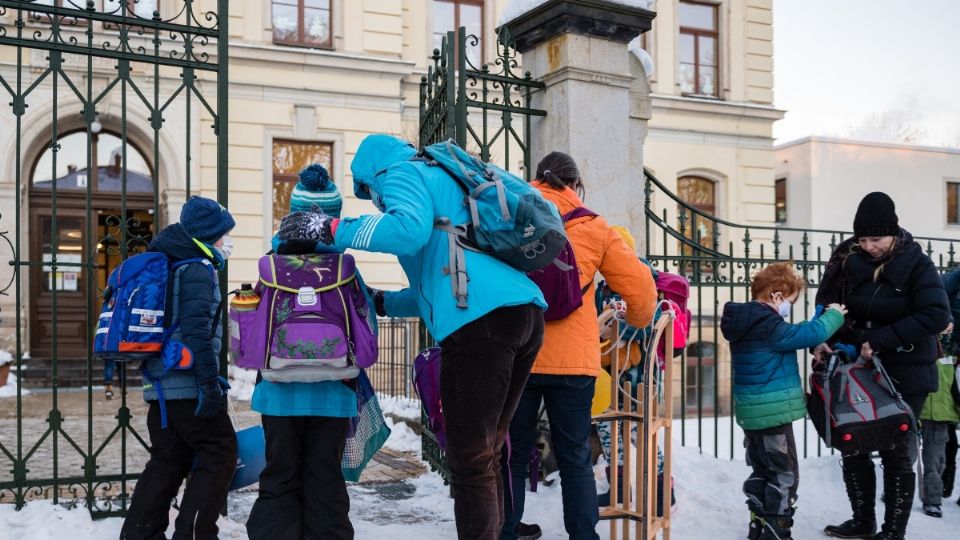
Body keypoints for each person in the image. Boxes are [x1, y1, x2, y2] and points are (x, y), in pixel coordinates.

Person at [307, 134, 547, 540]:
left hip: (481, 324)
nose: (376, 202)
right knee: (485, 452)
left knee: (469, 457)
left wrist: (333, 228)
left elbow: (408, 232)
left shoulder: (399, 172)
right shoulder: (442, 178)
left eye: (370, 193)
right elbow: (439, 288)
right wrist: (383, 303)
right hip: (521, 312)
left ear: (370, 174)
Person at [499, 151, 657, 540]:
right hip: (574, 361)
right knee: (575, 458)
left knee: (512, 455)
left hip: (517, 354)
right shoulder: (595, 227)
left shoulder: (507, 215)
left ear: (535, 179)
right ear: (575, 184)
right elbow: (641, 292)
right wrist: (634, 322)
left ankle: (504, 531)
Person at [245, 165, 387, 540]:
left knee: (280, 474)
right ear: (332, 219)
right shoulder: (344, 267)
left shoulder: (271, 265)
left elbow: (254, 327)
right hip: (334, 393)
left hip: (277, 392)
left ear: (292, 215)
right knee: (324, 476)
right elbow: (366, 325)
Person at [816, 192, 950, 540]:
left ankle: (893, 531)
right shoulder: (847, 261)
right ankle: (863, 521)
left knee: (895, 450)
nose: (869, 246)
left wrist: (881, 338)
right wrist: (826, 335)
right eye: (862, 239)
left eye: (876, 238)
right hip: (859, 368)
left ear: (893, 233)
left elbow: (937, 315)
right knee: (853, 443)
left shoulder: (917, 264)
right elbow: (832, 305)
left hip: (907, 369)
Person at [120, 196, 237, 540]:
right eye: (222, 235)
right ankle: (194, 534)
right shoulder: (197, 268)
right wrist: (209, 383)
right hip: (187, 384)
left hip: (160, 383)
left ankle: (139, 534)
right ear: (207, 235)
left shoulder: (169, 262)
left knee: (168, 460)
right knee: (221, 451)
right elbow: (198, 329)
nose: (226, 242)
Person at [721, 262, 846, 540]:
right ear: (776, 297)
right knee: (784, 474)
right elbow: (809, 333)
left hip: (754, 415)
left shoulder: (746, 322)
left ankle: (759, 521)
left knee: (762, 470)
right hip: (772, 415)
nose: (788, 308)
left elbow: (793, 333)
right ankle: (776, 530)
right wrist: (834, 315)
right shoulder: (767, 324)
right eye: (789, 301)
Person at [917, 344, 959, 518]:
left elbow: (955, 387)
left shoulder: (952, 356)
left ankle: (933, 500)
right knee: (904, 457)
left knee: (935, 461)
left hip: (940, 416)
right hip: (912, 410)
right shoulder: (914, 347)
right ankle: (895, 492)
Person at [938, 267, 960, 503]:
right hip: (952, 359)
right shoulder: (951, 280)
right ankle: (944, 482)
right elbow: (940, 306)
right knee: (946, 422)